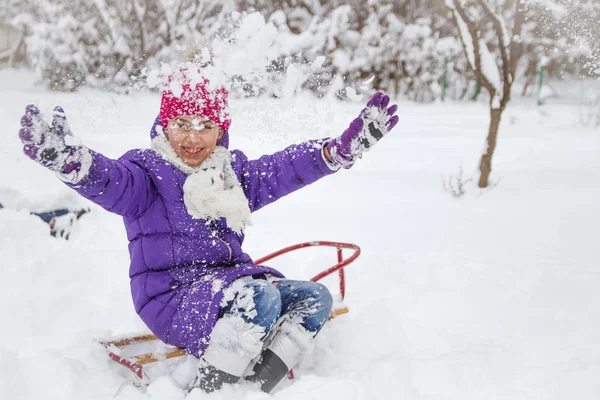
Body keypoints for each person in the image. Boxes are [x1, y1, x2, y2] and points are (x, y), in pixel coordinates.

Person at [17, 63, 399, 393]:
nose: (192, 138)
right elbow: (108, 180)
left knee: (315, 299)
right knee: (260, 299)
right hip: (169, 296)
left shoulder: (231, 176)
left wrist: (334, 153)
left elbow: (284, 169)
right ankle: (211, 392)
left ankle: (253, 388)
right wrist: (71, 162)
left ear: (221, 131)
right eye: (181, 125)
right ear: (165, 126)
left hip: (228, 286)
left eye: (205, 126)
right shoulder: (145, 176)